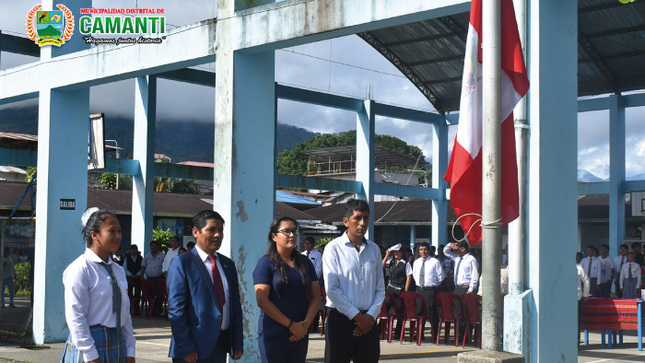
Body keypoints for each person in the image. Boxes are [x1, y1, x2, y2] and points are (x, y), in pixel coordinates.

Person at [167, 210, 243, 363]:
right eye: (212, 230)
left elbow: (234, 306)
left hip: (221, 346)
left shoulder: (227, 264)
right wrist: (185, 347)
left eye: (220, 230)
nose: (217, 235)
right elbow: (176, 310)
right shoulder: (183, 263)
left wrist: (237, 342)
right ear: (196, 232)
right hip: (193, 349)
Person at [60, 208, 135, 363]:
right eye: (112, 231)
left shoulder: (118, 270)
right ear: (94, 235)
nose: (118, 236)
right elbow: (76, 316)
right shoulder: (81, 269)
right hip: (91, 344)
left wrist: (130, 349)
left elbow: (125, 313)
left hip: (117, 342)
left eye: (119, 231)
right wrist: (90, 355)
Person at [322, 199, 384, 363]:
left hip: (369, 321)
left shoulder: (374, 249)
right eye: (357, 218)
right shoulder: (333, 249)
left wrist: (369, 317)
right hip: (340, 319)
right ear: (346, 221)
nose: (362, 223)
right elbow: (332, 289)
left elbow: (380, 289)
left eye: (366, 218)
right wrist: (357, 317)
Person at [253, 216, 320, 363]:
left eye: (294, 232)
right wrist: (291, 325)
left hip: (300, 333)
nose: (292, 235)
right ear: (274, 236)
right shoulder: (265, 263)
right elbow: (262, 300)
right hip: (274, 333)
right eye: (286, 231)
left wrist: (305, 325)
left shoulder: (305, 263)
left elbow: (316, 297)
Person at [405, 242, 443, 340]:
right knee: (419, 312)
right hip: (419, 290)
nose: (423, 252)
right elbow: (414, 275)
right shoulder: (416, 262)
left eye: (425, 249)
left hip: (430, 290)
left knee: (432, 313)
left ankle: (434, 333)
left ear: (429, 250)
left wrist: (433, 285)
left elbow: (441, 276)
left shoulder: (435, 261)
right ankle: (420, 334)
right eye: (421, 250)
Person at [382, 243, 408, 338]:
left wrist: (406, 290)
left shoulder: (405, 263)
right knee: (385, 310)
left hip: (399, 291)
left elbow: (409, 276)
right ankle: (380, 330)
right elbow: (383, 265)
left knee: (400, 312)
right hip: (390, 290)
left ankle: (398, 332)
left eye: (398, 252)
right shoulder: (392, 262)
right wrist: (387, 255)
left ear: (402, 253)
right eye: (395, 252)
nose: (396, 254)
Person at [301, 236, 323, 331]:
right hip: (303, 283)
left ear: (313, 245)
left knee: (314, 302)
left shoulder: (317, 255)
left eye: (309, 244)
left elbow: (318, 270)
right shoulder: (301, 255)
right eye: (305, 244)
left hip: (313, 282)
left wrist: (311, 279)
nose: (307, 245)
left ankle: (314, 325)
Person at [576, 252, 590, 346]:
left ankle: (576, 343)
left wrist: (585, 295)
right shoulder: (564, 267)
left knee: (576, 322)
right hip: (564, 299)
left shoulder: (579, 268)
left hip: (577, 297)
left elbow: (586, 281)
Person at [124, 245, 143, 314]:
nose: (133, 251)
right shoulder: (127, 258)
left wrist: (137, 274)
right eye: (132, 250)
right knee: (129, 295)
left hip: (138, 278)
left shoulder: (140, 258)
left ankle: (137, 310)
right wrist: (130, 275)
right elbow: (124, 268)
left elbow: (142, 267)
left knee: (137, 294)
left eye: (134, 249)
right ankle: (129, 310)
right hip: (130, 278)